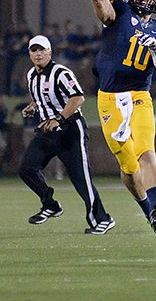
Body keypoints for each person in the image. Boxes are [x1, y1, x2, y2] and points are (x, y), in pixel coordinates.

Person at [89, 0, 156, 242]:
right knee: (128, 165)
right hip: (109, 98)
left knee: (147, 154)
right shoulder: (120, 10)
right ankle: (146, 207)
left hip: (139, 96)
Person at [18, 35, 114, 234]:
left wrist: (59, 119)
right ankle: (50, 205)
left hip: (70, 129)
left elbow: (78, 98)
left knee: (80, 177)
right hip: (47, 131)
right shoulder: (31, 75)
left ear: (50, 52)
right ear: (29, 53)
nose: (38, 54)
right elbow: (42, 97)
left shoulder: (61, 72)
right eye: (34, 50)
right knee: (26, 168)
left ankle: (102, 219)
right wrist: (32, 107)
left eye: (41, 50)